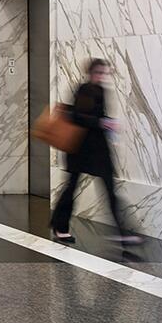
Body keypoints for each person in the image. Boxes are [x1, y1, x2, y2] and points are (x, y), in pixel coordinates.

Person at [49, 58, 141, 249]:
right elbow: (79, 117)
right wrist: (101, 122)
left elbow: (97, 116)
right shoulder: (84, 90)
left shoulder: (101, 91)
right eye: (98, 73)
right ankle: (60, 226)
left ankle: (122, 232)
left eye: (103, 73)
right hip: (80, 149)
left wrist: (107, 122)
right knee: (71, 188)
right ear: (90, 73)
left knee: (110, 190)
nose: (101, 76)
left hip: (98, 150)